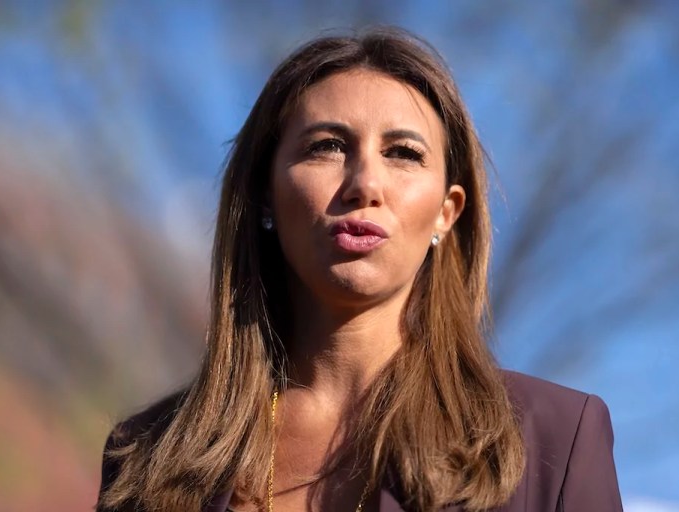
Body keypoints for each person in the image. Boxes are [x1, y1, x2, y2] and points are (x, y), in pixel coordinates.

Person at [96, 27, 623, 512]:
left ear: (447, 211)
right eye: (327, 146)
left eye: (403, 153)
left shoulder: (557, 441)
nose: (365, 183)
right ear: (264, 195)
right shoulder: (145, 457)